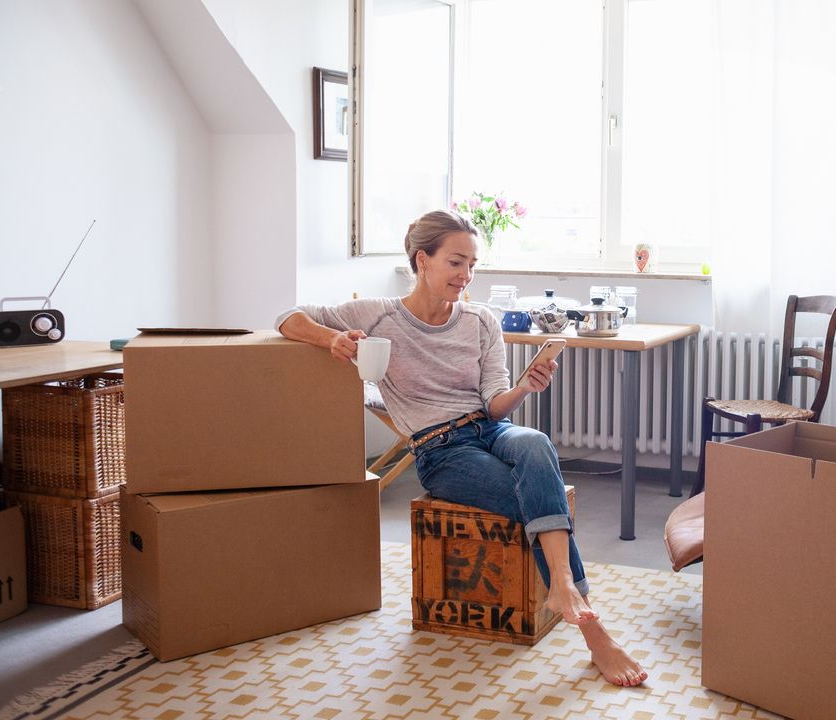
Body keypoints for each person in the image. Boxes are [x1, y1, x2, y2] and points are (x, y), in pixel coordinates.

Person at [276, 209, 648, 687]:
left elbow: (495, 406)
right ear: (422, 260)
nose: (466, 276)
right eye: (455, 263)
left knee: (534, 442)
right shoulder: (378, 314)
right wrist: (333, 339)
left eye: (472, 264)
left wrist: (524, 388)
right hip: (439, 451)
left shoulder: (480, 320)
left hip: (490, 430)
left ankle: (562, 588)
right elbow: (287, 318)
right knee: (538, 497)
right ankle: (597, 636)